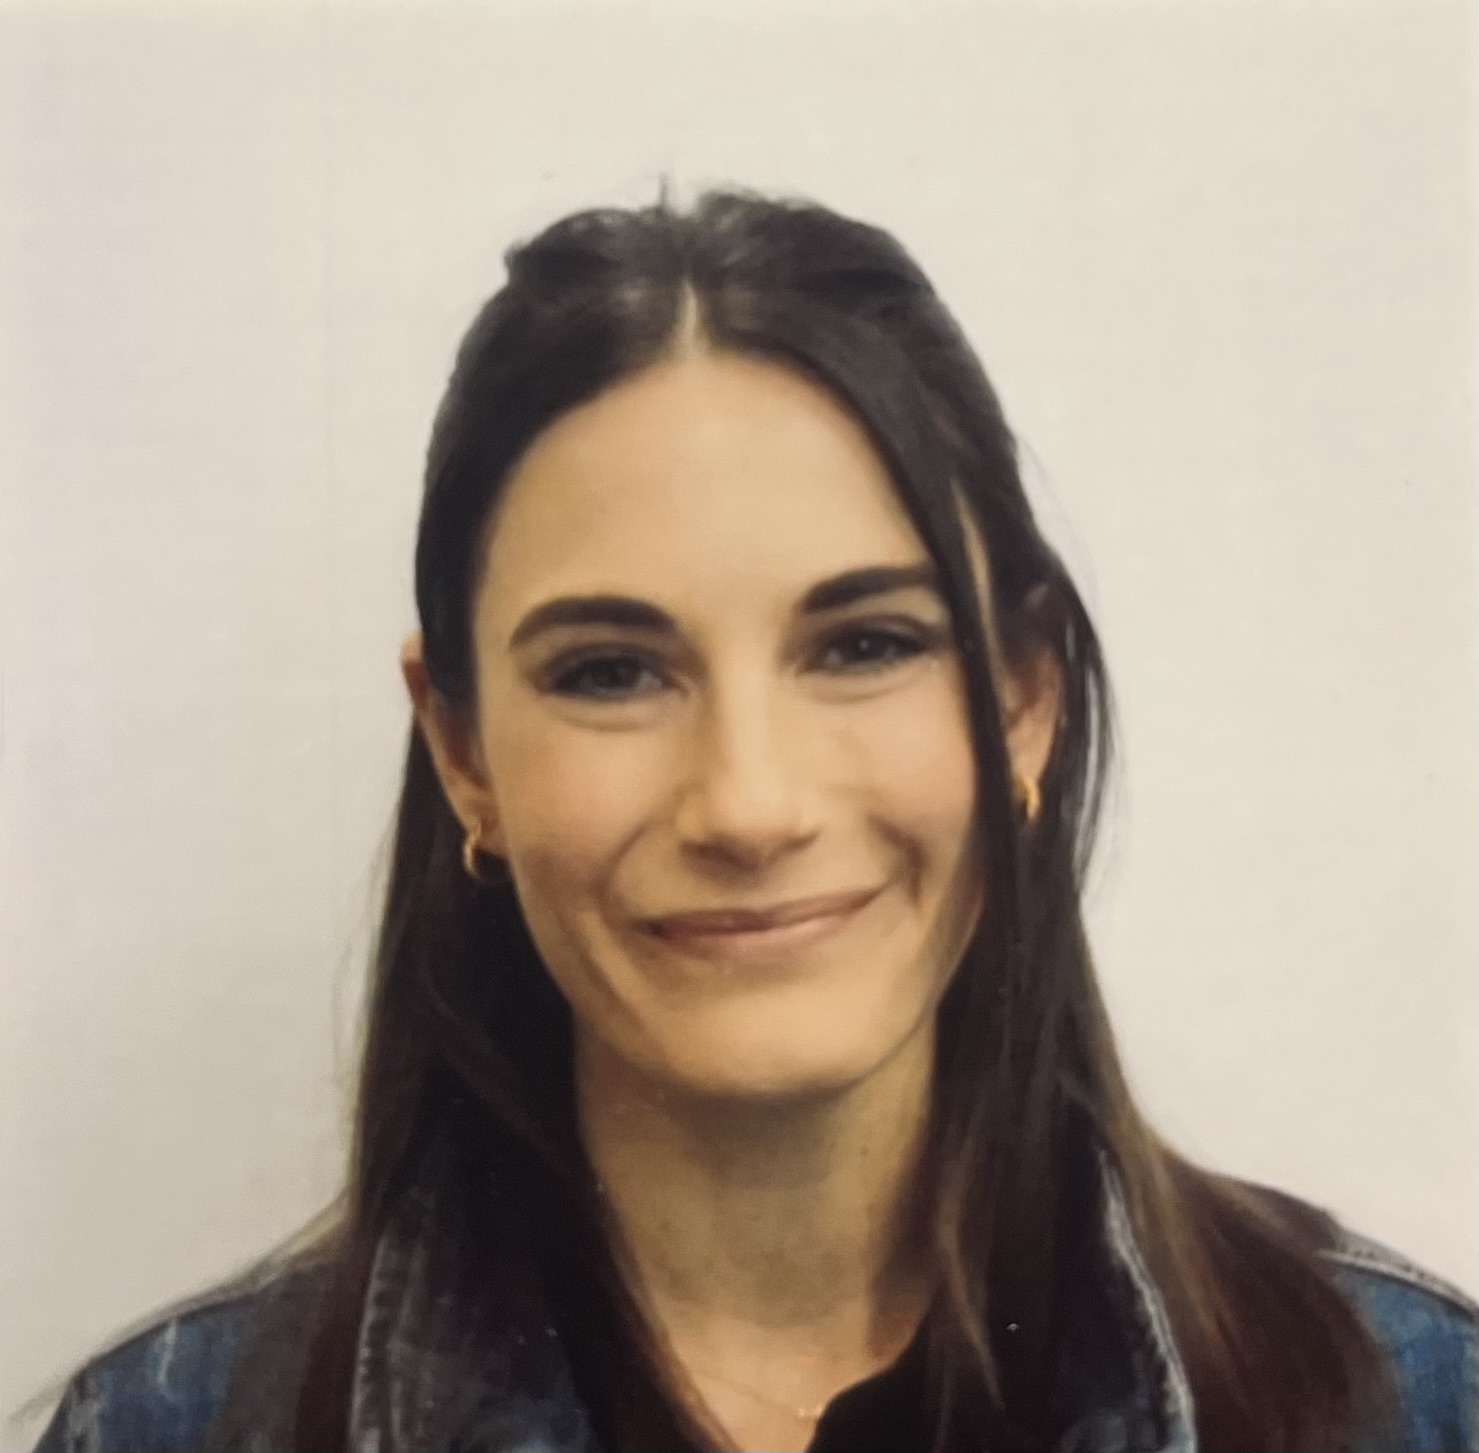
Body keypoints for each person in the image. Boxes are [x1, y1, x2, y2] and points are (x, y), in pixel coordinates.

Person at [21, 187, 1477, 1453]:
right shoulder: (168, 1429)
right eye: (610, 672)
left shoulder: (1415, 1408)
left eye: (864, 644)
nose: (751, 802)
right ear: (462, 749)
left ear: (1025, 699)